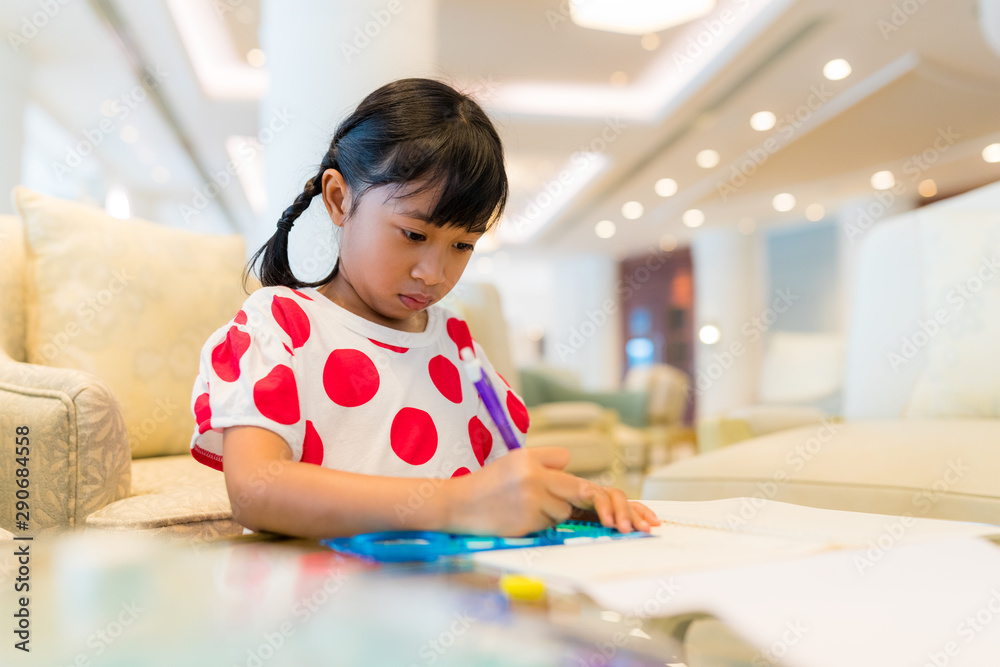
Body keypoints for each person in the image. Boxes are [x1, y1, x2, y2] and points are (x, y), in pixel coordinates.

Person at [189, 78, 660, 539]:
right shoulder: (280, 324)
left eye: (463, 245)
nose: (434, 273)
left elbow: (501, 480)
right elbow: (256, 490)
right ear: (338, 198)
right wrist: (460, 503)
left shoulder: (456, 341)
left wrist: (577, 498)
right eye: (414, 235)